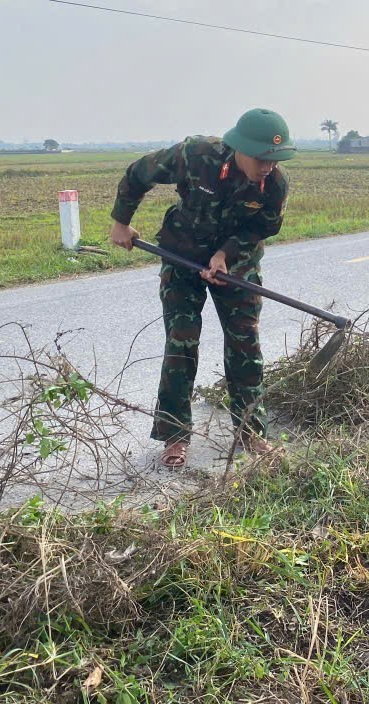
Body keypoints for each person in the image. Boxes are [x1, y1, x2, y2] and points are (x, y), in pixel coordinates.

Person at [109, 109, 295, 470]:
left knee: (245, 344)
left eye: (276, 159)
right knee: (181, 341)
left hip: (236, 264)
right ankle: (175, 435)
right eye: (262, 158)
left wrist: (224, 254)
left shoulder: (274, 184)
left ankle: (251, 431)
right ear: (239, 148)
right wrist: (121, 223)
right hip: (182, 255)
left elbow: (262, 228)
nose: (269, 166)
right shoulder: (196, 156)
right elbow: (138, 174)